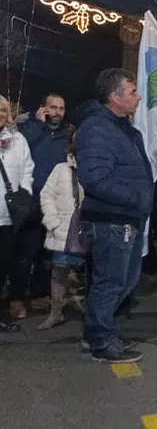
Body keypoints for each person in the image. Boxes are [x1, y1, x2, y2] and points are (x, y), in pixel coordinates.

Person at [74, 69, 153, 363]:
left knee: (125, 281)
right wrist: (136, 199)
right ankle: (101, 340)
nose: (139, 96)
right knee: (111, 282)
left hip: (127, 220)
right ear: (114, 96)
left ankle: (98, 332)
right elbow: (94, 179)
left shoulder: (126, 130)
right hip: (112, 220)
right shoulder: (97, 129)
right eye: (132, 92)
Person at [14, 93, 71, 318]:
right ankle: (17, 298)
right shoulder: (28, 129)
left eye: (61, 108)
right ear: (43, 108)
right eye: (52, 107)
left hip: (56, 204)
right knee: (24, 253)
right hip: (31, 201)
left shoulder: (68, 134)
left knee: (47, 253)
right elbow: (22, 149)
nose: (56, 112)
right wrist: (37, 124)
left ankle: (40, 294)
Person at [37, 127, 87, 330]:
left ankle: (93, 316)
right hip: (64, 230)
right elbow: (46, 195)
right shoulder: (60, 169)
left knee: (92, 273)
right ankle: (55, 313)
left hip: (90, 229)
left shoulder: (97, 165)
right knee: (59, 272)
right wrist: (53, 223)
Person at [0, 95, 32, 332]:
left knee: (2, 266)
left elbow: (27, 168)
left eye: (3, 110)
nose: (1, 114)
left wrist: (25, 192)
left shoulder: (17, 139)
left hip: (7, 216)